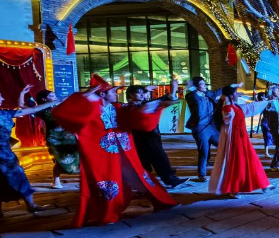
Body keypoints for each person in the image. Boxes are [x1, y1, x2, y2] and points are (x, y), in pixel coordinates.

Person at [52, 75, 177, 227]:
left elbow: (138, 115)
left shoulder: (118, 108)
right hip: (102, 155)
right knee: (106, 184)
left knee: (140, 178)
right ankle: (108, 215)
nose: (116, 93)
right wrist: (86, 95)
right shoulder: (89, 111)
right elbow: (62, 112)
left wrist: (156, 105)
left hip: (125, 153)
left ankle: (162, 202)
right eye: (112, 91)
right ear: (102, 94)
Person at [0, 86, 56, 218]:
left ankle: (31, 205)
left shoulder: (5, 113)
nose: (2, 98)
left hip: (5, 152)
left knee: (18, 175)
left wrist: (55, 101)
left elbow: (32, 109)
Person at [209, 85, 272, 196]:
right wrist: (226, 107)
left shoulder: (236, 106)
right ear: (230, 95)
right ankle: (234, 189)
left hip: (243, 138)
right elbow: (226, 120)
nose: (238, 94)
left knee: (252, 160)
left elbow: (250, 108)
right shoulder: (227, 108)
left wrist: (266, 102)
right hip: (234, 140)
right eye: (236, 93)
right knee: (237, 163)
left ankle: (263, 184)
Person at [125, 80, 188, 189]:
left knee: (153, 159)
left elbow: (161, 101)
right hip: (142, 137)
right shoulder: (129, 107)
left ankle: (165, 179)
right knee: (157, 158)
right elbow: (160, 102)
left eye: (143, 93)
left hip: (151, 136)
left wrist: (173, 91)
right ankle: (166, 179)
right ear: (130, 95)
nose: (142, 95)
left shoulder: (143, 104)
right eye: (139, 93)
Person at [28, 88, 80, 189]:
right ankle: (56, 181)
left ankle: (83, 179)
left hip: (69, 136)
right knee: (60, 159)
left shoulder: (60, 107)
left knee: (76, 156)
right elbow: (25, 107)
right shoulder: (42, 110)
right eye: (52, 96)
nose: (55, 97)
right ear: (44, 99)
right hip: (54, 139)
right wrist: (23, 94)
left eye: (55, 95)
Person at [184, 77, 222, 182]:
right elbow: (190, 95)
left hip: (211, 127)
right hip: (200, 127)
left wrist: (233, 86)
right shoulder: (192, 96)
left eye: (205, 83)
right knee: (204, 151)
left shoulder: (208, 95)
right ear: (196, 86)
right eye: (202, 84)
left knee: (223, 145)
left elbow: (217, 92)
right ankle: (202, 175)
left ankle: (225, 168)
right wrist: (191, 88)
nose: (205, 85)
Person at [255, 92, 274, 158]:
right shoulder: (263, 103)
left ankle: (267, 152)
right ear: (262, 97)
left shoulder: (264, 103)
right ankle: (266, 152)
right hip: (265, 122)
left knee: (269, 136)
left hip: (267, 121)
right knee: (267, 136)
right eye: (264, 96)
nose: (265, 97)